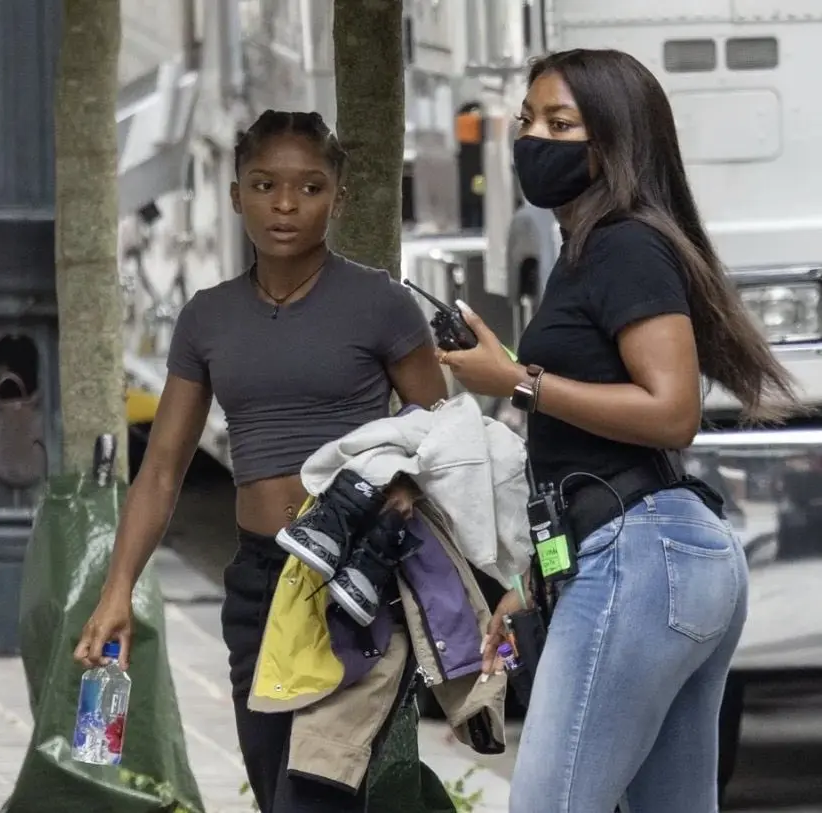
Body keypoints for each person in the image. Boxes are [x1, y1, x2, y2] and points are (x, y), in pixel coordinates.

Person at [439, 49, 800, 813]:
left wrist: (519, 382)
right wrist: (537, 583)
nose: (533, 137)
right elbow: (582, 460)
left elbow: (673, 412)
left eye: (560, 123)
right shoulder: (587, 248)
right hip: (653, 553)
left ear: (613, 140)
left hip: (643, 557)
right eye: (528, 119)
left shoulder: (626, 245)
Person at [74, 109, 448, 813]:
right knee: (277, 788)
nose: (284, 204)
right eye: (264, 184)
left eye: (308, 188)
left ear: (338, 197)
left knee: (314, 796)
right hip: (259, 583)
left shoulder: (381, 305)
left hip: (352, 587)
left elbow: (442, 438)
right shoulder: (207, 317)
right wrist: (117, 587)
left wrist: (397, 499)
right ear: (234, 193)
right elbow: (161, 470)